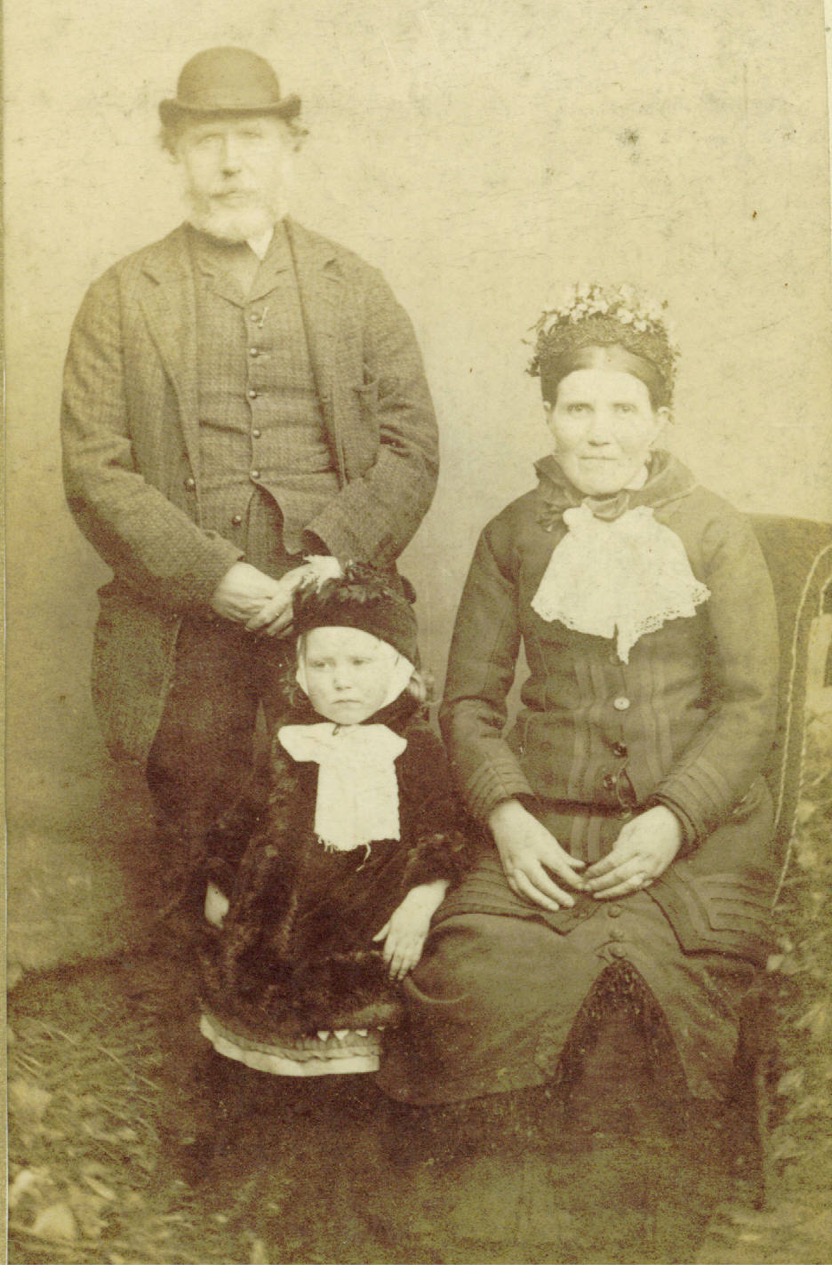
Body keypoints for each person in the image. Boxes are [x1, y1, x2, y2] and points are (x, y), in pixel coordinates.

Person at [379, 282, 779, 1138]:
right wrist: (509, 818)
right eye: (577, 407)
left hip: (693, 834)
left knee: (650, 993)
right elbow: (472, 704)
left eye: (624, 409)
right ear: (551, 415)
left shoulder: (715, 533)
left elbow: (750, 705)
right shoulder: (513, 533)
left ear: (660, 419)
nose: (600, 432)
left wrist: (675, 819)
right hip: (546, 825)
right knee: (482, 982)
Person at [61, 47, 439, 921]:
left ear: (289, 147)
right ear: (176, 156)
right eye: (207, 142)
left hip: (335, 599)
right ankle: (218, 1007)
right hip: (186, 612)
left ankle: (338, 1007)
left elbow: (411, 446)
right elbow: (94, 467)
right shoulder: (122, 296)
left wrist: (327, 561)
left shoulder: (358, 288)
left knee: (354, 804)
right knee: (203, 785)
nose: (230, 163)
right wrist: (213, 576)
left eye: (251, 138)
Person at [198, 564, 470, 1080]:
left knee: (369, 993)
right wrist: (221, 881)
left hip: (367, 912)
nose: (340, 681)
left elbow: (446, 837)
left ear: (397, 668)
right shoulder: (292, 740)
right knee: (255, 973)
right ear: (300, 672)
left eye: (359, 662)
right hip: (284, 906)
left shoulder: (416, 750)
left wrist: (423, 897)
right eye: (321, 665)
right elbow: (242, 821)